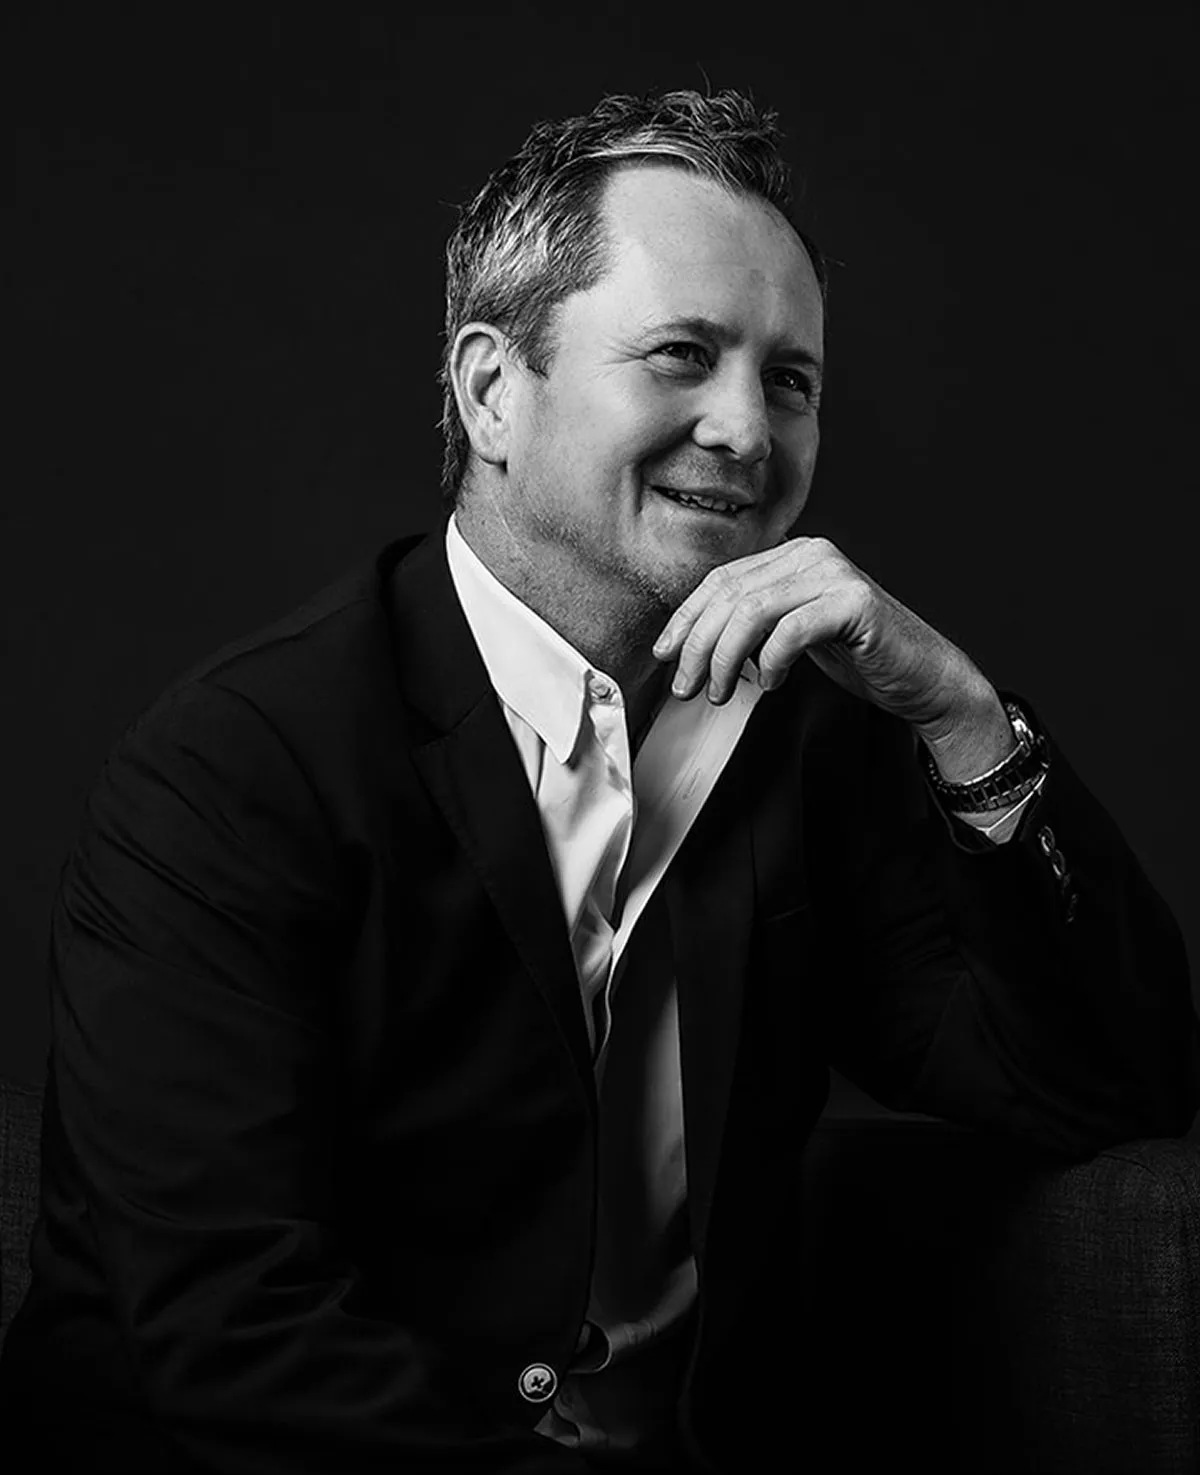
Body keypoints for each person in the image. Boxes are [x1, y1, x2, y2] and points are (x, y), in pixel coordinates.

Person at [1, 88, 1197, 1474]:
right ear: (492, 393)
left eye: (791, 380)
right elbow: (229, 1334)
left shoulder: (813, 745)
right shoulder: (235, 765)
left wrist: (964, 715)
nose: (748, 431)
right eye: (683, 354)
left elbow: (1102, 1091)